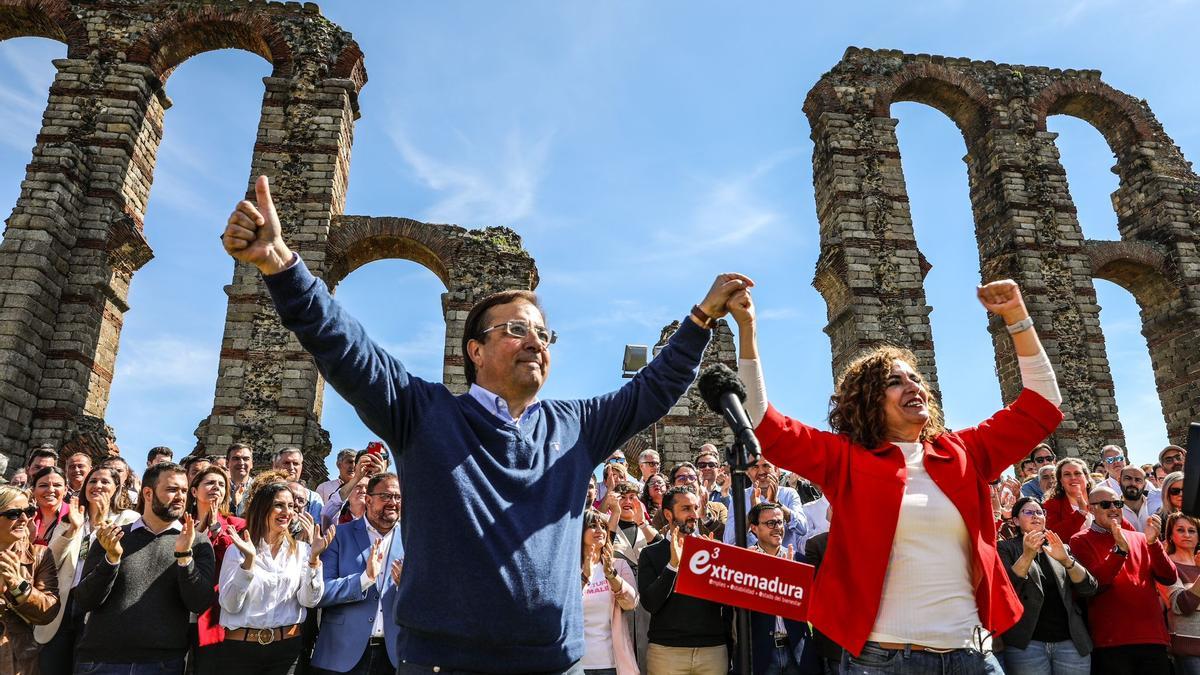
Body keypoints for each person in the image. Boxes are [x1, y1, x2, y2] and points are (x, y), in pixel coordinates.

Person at [223, 174, 747, 672]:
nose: (535, 341)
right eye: (516, 329)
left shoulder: (577, 426)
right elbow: (347, 349)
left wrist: (701, 319)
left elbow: (652, 389)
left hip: (553, 665)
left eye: (544, 333)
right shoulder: (424, 414)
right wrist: (282, 267)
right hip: (444, 664)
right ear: (474, 349)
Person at [732, 279, 1063, 671]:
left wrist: (1017, 317)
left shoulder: (963, 451)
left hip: (973, 655)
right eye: (895, 381)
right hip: (885, 661)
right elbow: (761, 423)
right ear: (868, 401)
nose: (913, 386)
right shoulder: (846, 458)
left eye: (916, 379)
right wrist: (748, 329)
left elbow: (1042, 406)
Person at [73, 462, 216, 674]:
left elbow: (199, 603)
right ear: (148, 494)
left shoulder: (198, 543)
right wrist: (111, 559)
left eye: (184, 491)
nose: (180, 497)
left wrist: (184, 557)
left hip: (162, 664)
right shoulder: (112, 537)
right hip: (101, 661)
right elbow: (85, 600)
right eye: (171, 489)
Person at [215, 481, 332, 674]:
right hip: (240, 651)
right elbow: (230, 605)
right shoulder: (237, 550)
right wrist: (249, 563)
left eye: (291, 506)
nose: (287, 511)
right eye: (279, 505)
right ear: (262, 508)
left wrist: (313, 560)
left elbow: (309, 601)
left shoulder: (302, 551)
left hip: (286, 650)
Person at [36, 466, 140, 674]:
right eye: (92, 481)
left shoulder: (129, 519)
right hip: (63, 606)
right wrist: (73, 529)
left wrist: (102, 524)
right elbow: (50, 561)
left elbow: (122, 560)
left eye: (105, 482)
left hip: (97, 608)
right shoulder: (72, 518)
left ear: (116, 488)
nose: (97, 486)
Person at [1069, 485, 1176, 674]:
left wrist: (1153, 543)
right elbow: (1093, 585)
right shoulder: (1080, 540)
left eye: (1117, 503)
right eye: (1105, 504)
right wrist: (1119, 552)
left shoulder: (1141, 537)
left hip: (1152, 637)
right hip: (1111, 640)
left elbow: (1168, 576)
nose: (1113, 508)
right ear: (1091, 509)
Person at [312, 473, 405, 675]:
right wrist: (364, 580)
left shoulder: (412, 540)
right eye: (386, 496)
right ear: (368, 499)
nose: (393, 502)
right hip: (341, 654)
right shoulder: (338, 535)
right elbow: (321, 592)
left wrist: (406, 587)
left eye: (398, 497)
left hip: (395, 657)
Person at [996, 496, 1097, 674]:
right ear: (1015, 521)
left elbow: (1089, 588)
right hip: (1027, 644)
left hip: (1070, 642)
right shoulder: (1005, 548)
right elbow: (1007, 591)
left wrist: (1066, 560)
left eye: (1039, 512)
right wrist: (1027, 556)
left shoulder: (1059, 547)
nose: (1035, 516)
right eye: (1028, 512)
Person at [638, 487, 728, 674]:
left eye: (696, 508)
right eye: (686, 508)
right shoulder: (651, 553)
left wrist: (718, 566)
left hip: (712, 651)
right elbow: (650, 603)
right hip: (666, 652)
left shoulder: (713, 550)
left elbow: (726, 603)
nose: (694, 514)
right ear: (668, 514)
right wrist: (672, 566)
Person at [746, 502, 819, 675]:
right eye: (770, 523)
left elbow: (813, 607)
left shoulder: (800, 561)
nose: (777, 527)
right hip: (761, 655)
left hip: (797, 653)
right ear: (754, 528)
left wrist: (793, 576)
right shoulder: (745, 562)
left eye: (780, 522)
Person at [187, 465, 247, 672]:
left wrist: (215, 529)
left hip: (214, 613)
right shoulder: (178, 523)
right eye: (210, 482)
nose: (216, 488)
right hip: (176, 611)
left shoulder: (236, 525)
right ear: (194, 491)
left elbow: (233, 559)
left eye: (221, 484)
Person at [0, 485, 59, 675]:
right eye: (14, 513)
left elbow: (49, 611)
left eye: (29, 511)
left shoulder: (39, 555)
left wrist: (19, 586)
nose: (25, 519)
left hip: (17, 660)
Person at [579, 508, 639, 675]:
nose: (600, 531)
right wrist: (585, 576)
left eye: (603, 526)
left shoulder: (619, 565)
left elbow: (631, 603)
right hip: (576, 664)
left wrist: (611, 575)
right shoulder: (567, 569)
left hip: (611, 663)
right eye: (592, 525)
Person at [722, 456, 808, 551]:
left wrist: (777, 504)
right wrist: (752, 513)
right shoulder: (739, 498)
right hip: (751, 559)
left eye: (766, 465)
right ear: (747, 472)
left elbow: (803, 529)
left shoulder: (789, 494)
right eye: (755, 467)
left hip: (784, 559)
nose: (761, 471)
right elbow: (728, 541)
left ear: (777, 470)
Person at [1159, 512, 1200, 672]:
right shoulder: (1167, 566)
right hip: (1189, 652)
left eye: (1192, 530)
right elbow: (1183, 605)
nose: (1187, 535)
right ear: (1170, 535)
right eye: (1180, 530)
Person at [1042, 458, 1095, 541]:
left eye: (1077, 473)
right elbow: (1054, 535)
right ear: (1061, 481)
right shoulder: (1051, 505)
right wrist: (1081, 513)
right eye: (1067, 474)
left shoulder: (1101, 499)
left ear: (1087, 478)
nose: (1073, 477)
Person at [671, 463, 727, 540]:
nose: (688, 481)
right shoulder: (665, 512)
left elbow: (728, 538)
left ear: (698, 483)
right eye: (681, 478)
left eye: (692, 477)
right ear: (672, 485)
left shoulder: (718, 508)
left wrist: (705, 517)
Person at [272, 448, 324, 522]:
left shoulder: (313, 498)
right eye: (286, 463)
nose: (291, 468)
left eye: (295, 463)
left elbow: (316, 526)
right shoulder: (265, 493)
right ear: (275, 466)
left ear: (301, 467)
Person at [29, 466, 68, 546]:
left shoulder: (75, 517)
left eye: (57, 485)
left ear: (65, 490)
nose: (50, 490)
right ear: (33, 490)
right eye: (43, 485)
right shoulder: (26, 517)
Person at [1120, 465, 1161, 531]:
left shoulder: (1156, 505)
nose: (1133, 483)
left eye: (1138, 480)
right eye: (1128, 478)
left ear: (1144, 484)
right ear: (1119, 480)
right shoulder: (1113, 509)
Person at [226, 444, 254, 517]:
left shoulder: (260, 488)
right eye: (236, 458)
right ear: (227, 463)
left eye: (246, 459)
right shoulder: (220, 489)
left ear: (251, 464)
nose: (241, 463)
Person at [1158, 472, 1185, 540]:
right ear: (1166, 493)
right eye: (1175, 491)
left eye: (1186, 490)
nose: (1181, 494)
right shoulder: (1159, 520)